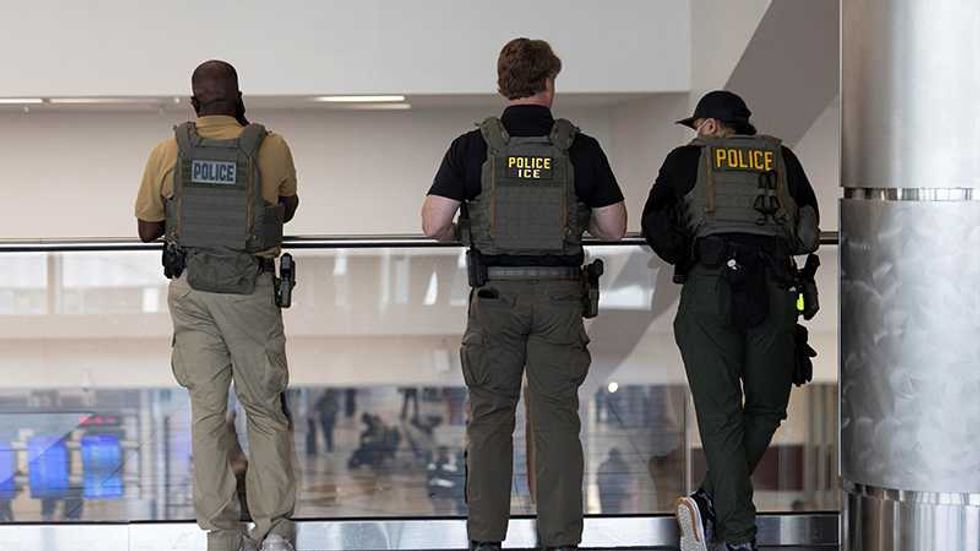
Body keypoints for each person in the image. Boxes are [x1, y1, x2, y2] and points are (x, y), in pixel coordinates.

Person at [421, 38, 627, 551]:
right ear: (549, 84)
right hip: (559, 299)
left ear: (502, 85)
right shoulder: (579, 147)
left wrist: (460, 228)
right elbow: (616, 228)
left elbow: (433, 224)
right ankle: (559, 540)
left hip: (494, 300)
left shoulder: (473, 147)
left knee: (489, 421)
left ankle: (486, 539)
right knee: (557, 422)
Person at [641, 90, 820, 551]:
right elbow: (807, 233)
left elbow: (654, 222)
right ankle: (712, 504)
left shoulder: (686, 160)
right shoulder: (783, 158)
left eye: (699, 124)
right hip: (775, 290)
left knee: (720, 418)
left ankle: (729, 526)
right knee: (766, 407)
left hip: (710, 289)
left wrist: (694, 253)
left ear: (712, 126)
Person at [134, 60, 300, 551]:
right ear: (238, 98)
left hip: (193, 295)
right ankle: (272, 532)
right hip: (249, 291)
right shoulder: (270, 146)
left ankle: (221, 533)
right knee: (264, 411)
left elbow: (146, 229)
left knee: (207, 414)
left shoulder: (168, 152)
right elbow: (287, 207)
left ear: (194, 102)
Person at [596, 448, 630, 514]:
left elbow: (599, 482)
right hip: (610, 498)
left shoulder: (605, 466)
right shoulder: (621, 466)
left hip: (610, 498)